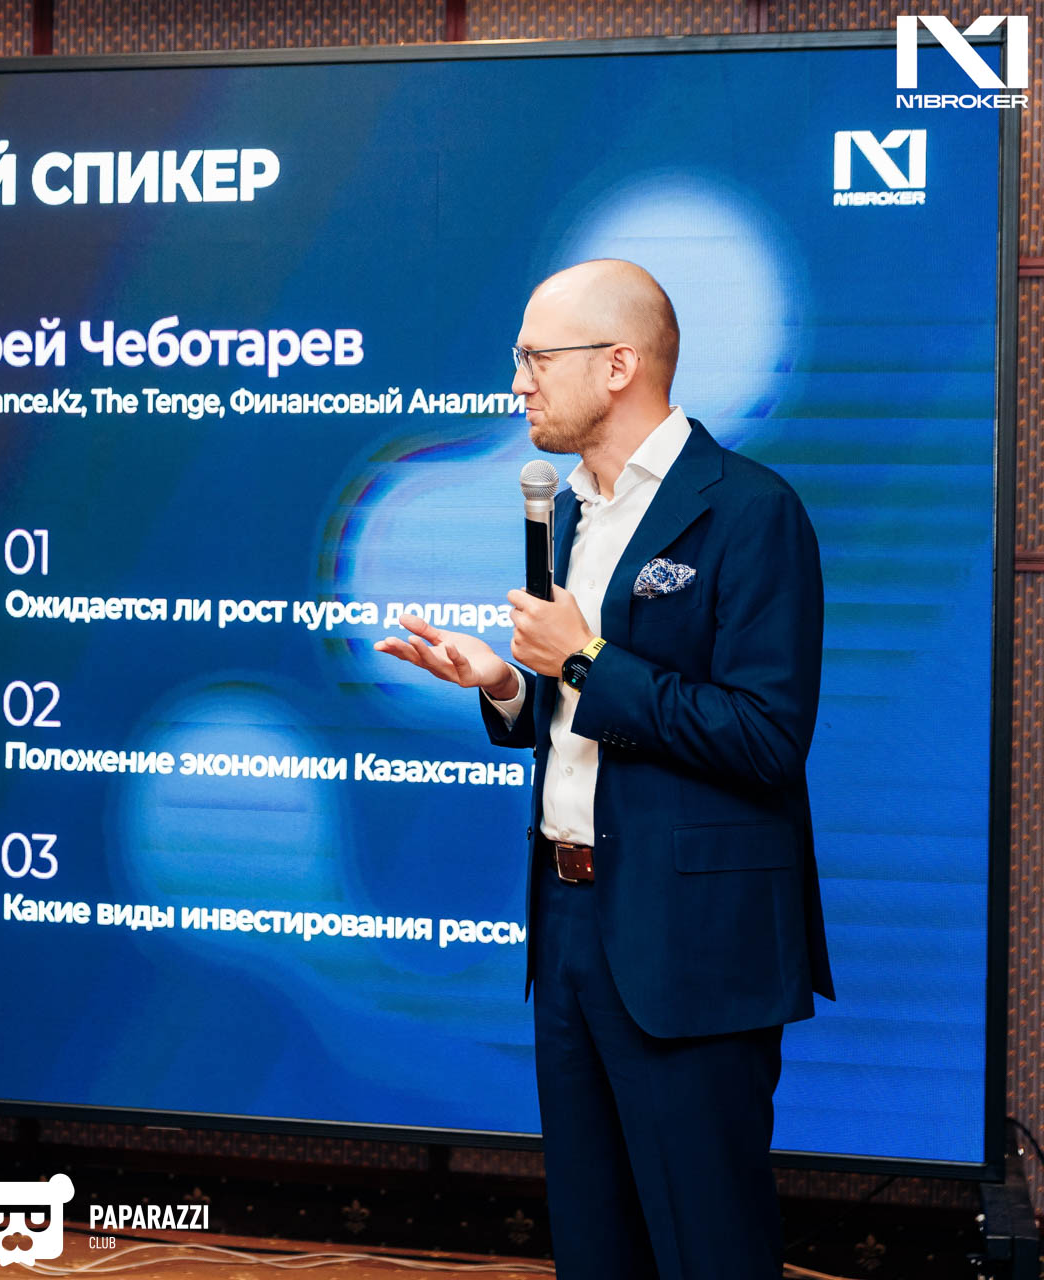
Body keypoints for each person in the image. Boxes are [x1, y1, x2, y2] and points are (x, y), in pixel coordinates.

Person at [376, 259, 833, 1280]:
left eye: (536, 358)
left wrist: (582, 659)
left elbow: (766, 736)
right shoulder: (571, 510)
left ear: (619, 364)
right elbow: (581, 713)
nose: (518, 383)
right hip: (572, 924)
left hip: (691, 943)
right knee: (592, 1245)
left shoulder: (750, 511)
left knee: (709, 1248)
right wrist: (508, 685)